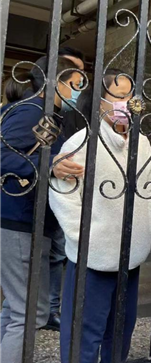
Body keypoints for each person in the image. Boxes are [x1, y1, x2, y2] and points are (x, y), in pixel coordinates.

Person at [49, 69, 151, 363]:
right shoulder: (81, 143)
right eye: (119, 96)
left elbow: (150, 190)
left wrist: (149, 229)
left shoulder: (142, 142)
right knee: (83, 337)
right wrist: (86, 238)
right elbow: (63, 195)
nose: (127, 103)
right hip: (92, 260)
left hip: (131, 256)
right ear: (100, 101)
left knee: (121, 332)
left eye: (130, 96)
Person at [0, 56, 85, 363]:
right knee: (30, 313)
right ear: (55, 82)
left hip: (24, 221)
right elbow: (2, 155)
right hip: (20, 221)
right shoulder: (33, 111)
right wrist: (50, 165)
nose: (78, 91)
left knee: (16, 309)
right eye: (75, 84)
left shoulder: (43, 113)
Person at [44, 46, 87, 332]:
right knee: (48, 253)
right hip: (44, 189)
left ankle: (51, 308)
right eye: (73, 75)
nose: (78, 81)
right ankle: (42, 308)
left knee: (59, 252)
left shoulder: (77, 107)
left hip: (70, 184)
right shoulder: (43, 110)